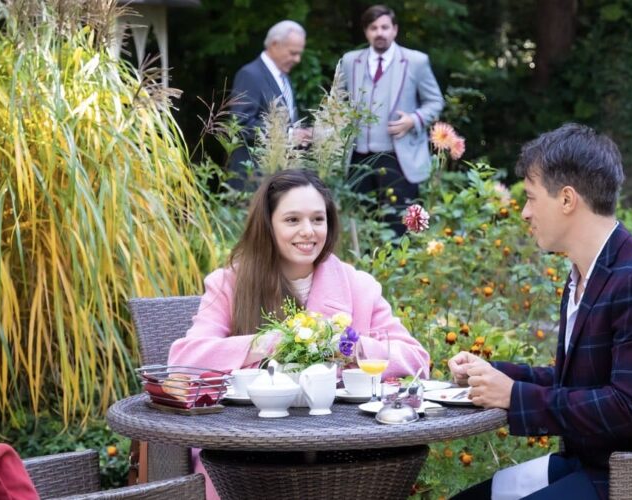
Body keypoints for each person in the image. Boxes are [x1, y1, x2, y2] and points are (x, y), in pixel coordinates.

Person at [448, 124, 632, 500]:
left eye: (530, 197)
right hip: (599, 462)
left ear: (567, 199)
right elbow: (582, 383)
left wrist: (513, 395)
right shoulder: (586, 272)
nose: (525, 213)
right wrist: (493, 375)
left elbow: (627, 407)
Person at [168, 168, 430, 500]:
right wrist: (264, 342)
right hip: (246, 452)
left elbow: (417, 359)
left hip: (342, 452)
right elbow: (183, 361)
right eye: (292, 220)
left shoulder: (358, 285)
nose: (308, 232)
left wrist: (352, 347)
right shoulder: (229, 283)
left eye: (317, 219)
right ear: (268, 224)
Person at [338, 5, 444, 235]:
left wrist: (413, 119)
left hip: (397, 155)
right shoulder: (350, 61)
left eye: (385, 27)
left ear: (395, 30)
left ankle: (402, 268)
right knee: (360, 223)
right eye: (374, 27)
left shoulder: (415, 61)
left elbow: (435, 102)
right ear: (366, 31)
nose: (380, 33)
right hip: (358, 155)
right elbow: (338, 102)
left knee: (400, 222)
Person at [227, 21, 312, 189]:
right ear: (274, 45)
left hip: (277, 177)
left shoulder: (284, 77)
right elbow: (240, 125)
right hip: (252, 179)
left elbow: (284, 123)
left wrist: (303, 133)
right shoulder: (250, 75)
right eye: (293, 53)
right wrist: (288, 135)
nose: (297, 59)